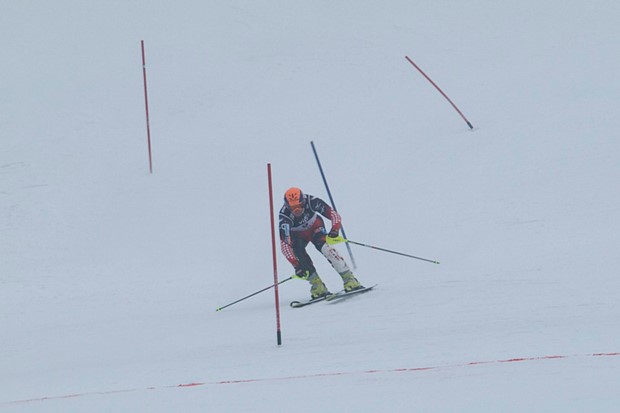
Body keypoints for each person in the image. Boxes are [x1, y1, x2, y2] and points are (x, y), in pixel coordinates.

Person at [279, 187, 364, 299]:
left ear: (303, 201)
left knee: (327, 249)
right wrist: (296, 264)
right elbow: (285, 245)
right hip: (298, 236)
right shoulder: (284, 216)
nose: (297, 210)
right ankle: (317, 287)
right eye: (293, 207)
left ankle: (349, 279)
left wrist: (335, 230)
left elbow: (333, 215)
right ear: (287, 205)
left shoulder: (312, 201)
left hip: (315, 228)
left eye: (299, 205)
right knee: (299, 255)